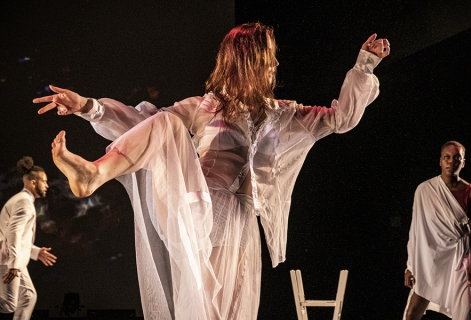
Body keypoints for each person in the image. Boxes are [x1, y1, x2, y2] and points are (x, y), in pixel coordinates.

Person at [34, 23, 390, 319]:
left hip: (243, 220)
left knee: (223, 311)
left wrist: (364, 65)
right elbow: (140, 123)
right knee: (165, 124)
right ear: (249, 62)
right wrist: (89, 107)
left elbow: (341, 119)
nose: (275, 64)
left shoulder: (285, 113)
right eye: (268, 58)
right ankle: (94, 173)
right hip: (200, 209)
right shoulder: (204, 106)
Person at [403, 141, 471, 320]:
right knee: (412, 313)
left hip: (460, 260)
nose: (451, 161)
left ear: (463, 162)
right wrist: (410, 266)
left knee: (466, 312)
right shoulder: (424, 190)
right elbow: (416, 231)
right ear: (440, 161)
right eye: (447, 157)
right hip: (431, 261)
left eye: (456, 158)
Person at [0, 157, 57, 320]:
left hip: (14, 258)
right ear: (33, 182)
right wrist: (13, 265)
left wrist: (36, 252)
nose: (47, 185)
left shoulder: (23, 201)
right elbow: (13, 234)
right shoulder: (24, 202)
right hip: (8, 259)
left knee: (28, 296)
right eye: (44, 181)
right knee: (9, 305)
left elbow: (19, 237)